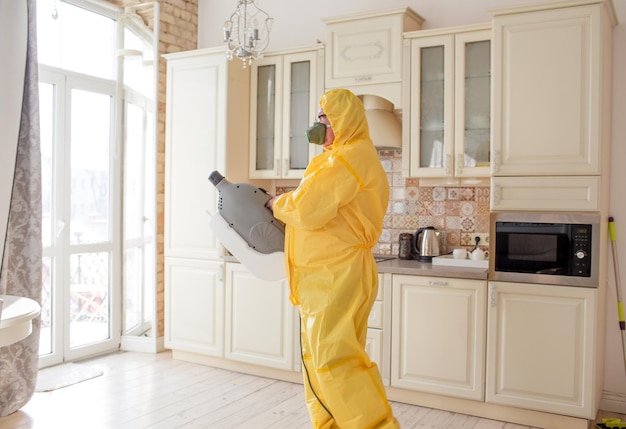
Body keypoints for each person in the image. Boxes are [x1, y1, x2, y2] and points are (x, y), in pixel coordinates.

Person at [266, 89, 399, 428]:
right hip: (325, 275)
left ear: (344, 121)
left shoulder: (349, 157)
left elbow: (308, 209)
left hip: (335, 273)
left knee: (333, 360)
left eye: (324, 118)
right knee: (319, 359)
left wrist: (275, 204)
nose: (317, 125)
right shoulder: (338, 155)